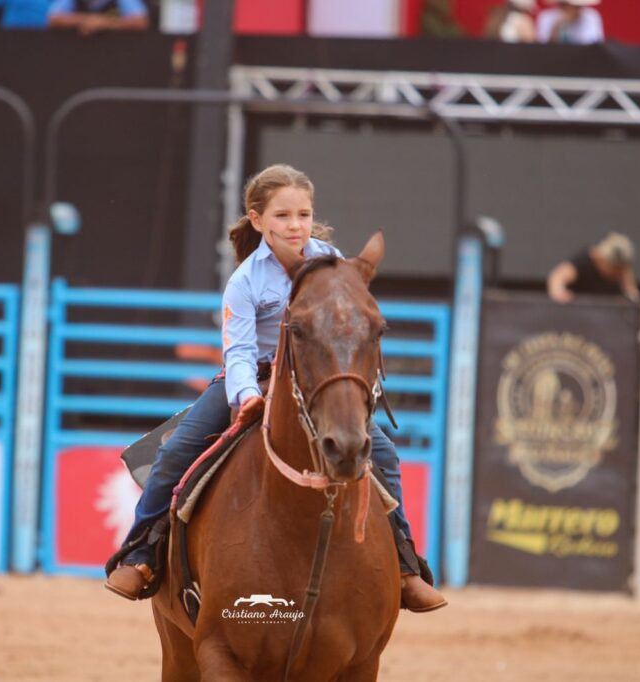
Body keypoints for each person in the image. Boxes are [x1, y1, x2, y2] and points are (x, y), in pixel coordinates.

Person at [105, 164, 447, 613]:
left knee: (383, 455)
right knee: (174, 454)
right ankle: (141, 553)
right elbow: (239, 352)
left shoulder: (333, 261)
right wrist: (247, 395)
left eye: (303, 214)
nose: (295, 225)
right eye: (283, 216)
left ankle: (404, 565)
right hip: (254, 379)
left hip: (312, 382)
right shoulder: (245, 281)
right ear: (257, 218)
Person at [547, 232, 640, 303]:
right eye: (613, 267)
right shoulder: (584, 260)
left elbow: (632, 295)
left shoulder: (623, 272)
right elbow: (557, 277)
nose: (616, 272)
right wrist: (560, 293)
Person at [46, 0, 148, 34]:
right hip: (76, 56)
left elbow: (141, 21)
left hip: (116, 56)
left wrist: (106, 23)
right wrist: (86, 20)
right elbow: (53, 18)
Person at [536, 0, 604, 44]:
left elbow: (595, 44)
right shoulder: (546, 17)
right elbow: (543, 48)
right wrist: (557, 26)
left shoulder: (591, 17)